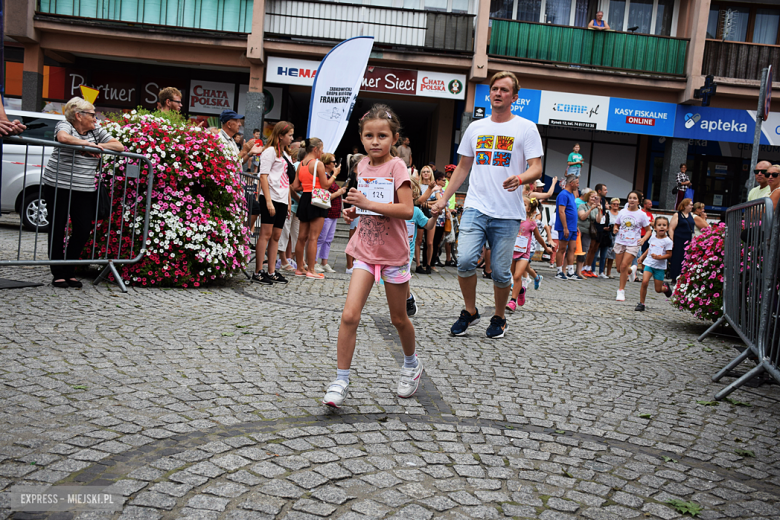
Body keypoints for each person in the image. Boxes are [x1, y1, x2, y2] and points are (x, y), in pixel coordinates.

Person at [433, 71, 544, 339]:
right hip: (476, 206)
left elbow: (537, 168)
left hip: (507, 214)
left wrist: (520, 178)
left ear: (514, 97)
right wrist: (444, 198)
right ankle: (470, 311)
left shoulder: (526, 128)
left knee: (501, 273)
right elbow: (462, 167)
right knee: (466, 261)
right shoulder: (476, 127)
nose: (497, 93)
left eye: (504, 90)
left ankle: (499, 317)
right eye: (494, 88)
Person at [322, 104, 417, 408]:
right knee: (350, 315)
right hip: (364, 249)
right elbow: (367, 204)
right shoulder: (361, 165)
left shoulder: (397, 167)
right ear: (361, 138)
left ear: (395, 138)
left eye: (382, 136)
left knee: (398, 318)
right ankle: (340, 379)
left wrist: (367, 203)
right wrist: (354, 210)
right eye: (369, 136)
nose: (375, 142)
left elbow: (406, 210)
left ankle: (412, 365)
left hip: (393, 253)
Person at [42, 96, 124, 288]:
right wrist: (85, 145)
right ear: (79, 116)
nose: (96, 119)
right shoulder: (66, 124)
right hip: (57, 185)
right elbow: (63, 138)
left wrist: (98, 146)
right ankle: (58, 273)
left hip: (84, 187)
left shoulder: (97, 131)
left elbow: (119, 146)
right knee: (57, 228)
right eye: (92, 115)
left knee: (83, 229)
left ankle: (69, 269)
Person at [252, 121, 294, 285]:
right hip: (270, 197)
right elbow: (263, 176)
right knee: (265, 234)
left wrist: (288, 202)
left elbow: (287, 181)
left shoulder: (286, 154)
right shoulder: (269, 152)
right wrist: (268, 201)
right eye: (289, 135)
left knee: (276, 236)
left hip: (282, 198)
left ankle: (271, 270)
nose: (291, 138)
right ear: (280, 135)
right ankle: (258, 271)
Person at [292, 137, 339, 279]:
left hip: (305, 198)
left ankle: (300, 267)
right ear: (315, 149)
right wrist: (335, 175)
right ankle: (311, 270)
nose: (322, 152)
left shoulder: (301, 164)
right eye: (322, 149)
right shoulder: (318, 164)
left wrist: (307, 187)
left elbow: (295, 186)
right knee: (313, 237)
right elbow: (325, 185)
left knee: (301, 237)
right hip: (317, 198)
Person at [507, 198, 551, 312]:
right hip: (513, 252)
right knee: (513, 275)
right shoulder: (513, 220)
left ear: (529, 208)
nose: (521, 206)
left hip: (524, 254)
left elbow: (538, 237)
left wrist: (546, 247)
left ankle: (512, 302)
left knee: (517, 276)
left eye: (525, 204)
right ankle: (521, 290)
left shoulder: (531, 223)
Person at [406, 179, 439, 317]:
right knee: (394, 282)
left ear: (414, 195)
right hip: (390, 251)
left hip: (407, 252)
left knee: (402, 278)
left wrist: (434, 217)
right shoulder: (392, 207)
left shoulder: (416, 211)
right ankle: (407, 298)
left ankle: (406, 301)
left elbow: (428, 225)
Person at [613, 191, 652, 301]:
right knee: (620, 269)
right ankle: (632, 270)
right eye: (630, 198)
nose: (632, 200)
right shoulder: (622, 212)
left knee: (624, 265)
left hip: (633, 243)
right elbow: (617, 224)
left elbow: (649, 230)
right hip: (621, 241)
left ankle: (621, 291)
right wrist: (615, 228)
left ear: (638, 201)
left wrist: (643, 239)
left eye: (634, 198)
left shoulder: (642, 214)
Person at [315, 155, 348, 273]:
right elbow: (325, 196)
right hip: (327, 212)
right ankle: (314, 262)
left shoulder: (329, 177)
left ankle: (324, 262)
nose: (335, 164)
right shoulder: (324, 177)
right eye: (333, 162)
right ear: (327, 164)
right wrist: (339, 192)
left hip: (334, 213)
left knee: (328, 239)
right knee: (321, 238)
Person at [635, 217, 673, 311]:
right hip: (649, 263)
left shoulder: (668, 241)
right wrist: (642, 257)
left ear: (667, 228)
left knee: (658, 289)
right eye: (659, 225)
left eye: (664, 225)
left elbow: (669, 254)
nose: (662, 227)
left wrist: (659, 257)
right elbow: (649, 249)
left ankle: (666, 288)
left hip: (659, 267)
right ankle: (641, 303)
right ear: (655, 227)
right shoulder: (652, 237)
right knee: (644, 282)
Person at [554, 175, 580, 281]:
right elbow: (561, 211)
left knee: (572, 249)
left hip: (572, 227)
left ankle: (570, 271)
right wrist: (565, 227)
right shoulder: (563, 195)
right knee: (562, 248)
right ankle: (559, 271)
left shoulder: (571, 195)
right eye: (577, 183)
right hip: (566, 227)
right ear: (571, 183)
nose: (578, 185)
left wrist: (575, 226)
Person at [344, 154, 363, 274]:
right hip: (356, 206)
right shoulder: (354, 175)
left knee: (359, 236)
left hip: (362, 206)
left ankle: (355, 262)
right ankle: (349, 265)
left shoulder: (357, 174)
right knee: (353, 236)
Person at [668, 198, 695, 284]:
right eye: (690, 205)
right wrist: (672, 240)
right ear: (685, 205)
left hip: (688, 239)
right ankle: (674, 276)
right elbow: (671, 228)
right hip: (679, 239)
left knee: (686, 258)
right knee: (677, 257)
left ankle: (683, 276)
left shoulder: (691, 215)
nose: (692, 206)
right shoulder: (677, 215)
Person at [426, 171, 448, 272]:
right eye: (443, 180)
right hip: (435, 218)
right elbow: (439, 201)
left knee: (437, 242)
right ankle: (429, 263)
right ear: (437, 180)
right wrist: (434, 202)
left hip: (442, 218)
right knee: (432, 242)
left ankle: (433, 261)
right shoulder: (435, 190)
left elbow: (443, 202)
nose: (445, 181)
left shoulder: (443, 190)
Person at [584, 183, 607, 276]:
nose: (607, 191)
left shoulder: (604, 200)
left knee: (595, 248)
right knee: (590, 247)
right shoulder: (592, 203)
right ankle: (584, 267)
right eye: (605, 190)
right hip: (594, 226)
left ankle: (589, 268)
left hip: (601, 226)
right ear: (599, 191)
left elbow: (604, 213)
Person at [577, 191, 601, 279]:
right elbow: (582, 217)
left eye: (595, 197)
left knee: (584, 251)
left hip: (588, 232)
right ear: (588, 197)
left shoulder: (596, 209)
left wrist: (599, 209)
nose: (593, 199)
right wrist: (590, 209)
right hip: (579, 231)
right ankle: (569, 269)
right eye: (592, 197)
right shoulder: (582, 206)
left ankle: (579, 272)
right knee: (572, 249)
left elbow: (598, 220)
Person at [601, 198, 621, 278]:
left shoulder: (620, 214)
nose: (615, 205)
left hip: (617, 236)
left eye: (617, 204)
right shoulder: (607, 213)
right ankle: (602, 271)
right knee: (605, 254)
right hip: (608, 236)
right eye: (614, 204)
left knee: (612, 255)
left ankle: (609, 272)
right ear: (611, 204)